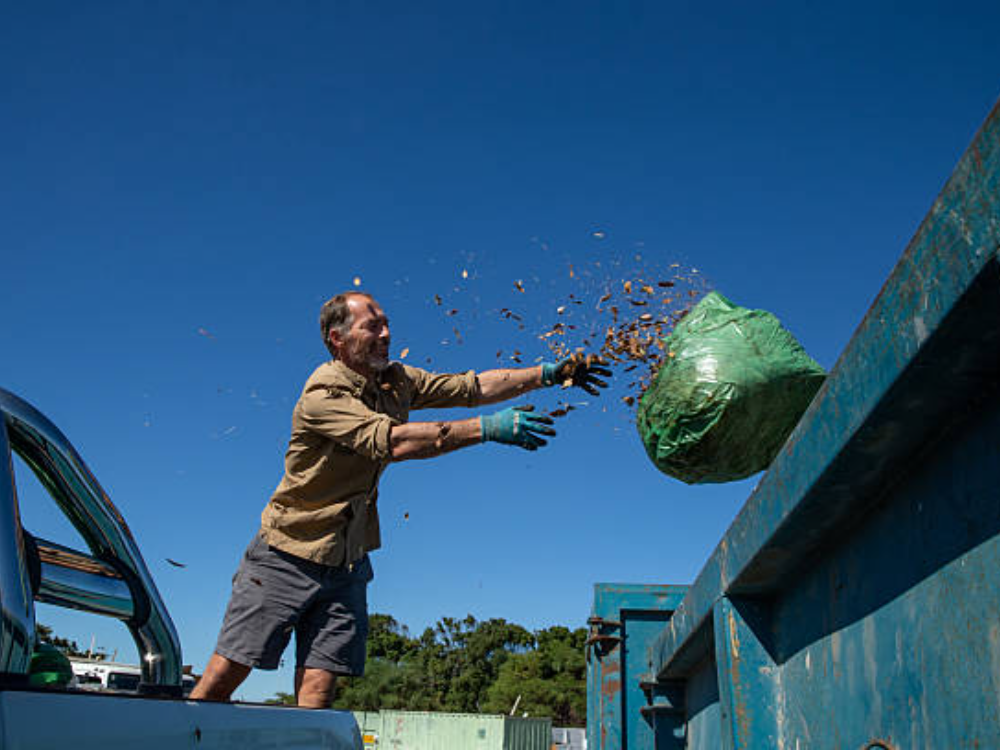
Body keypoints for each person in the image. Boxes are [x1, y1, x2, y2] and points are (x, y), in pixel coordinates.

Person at [190, 291, 610, 708]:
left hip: (347, 561)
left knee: (319, 689)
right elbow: (391, 441)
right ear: (338, 339)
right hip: (286, 553)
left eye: (386, 323)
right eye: (372, 326)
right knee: (226, 676)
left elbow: (472, 387)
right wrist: (485, 429)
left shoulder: (396, 380)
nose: (387, 333)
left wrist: (550, 373)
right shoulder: (323, 394)